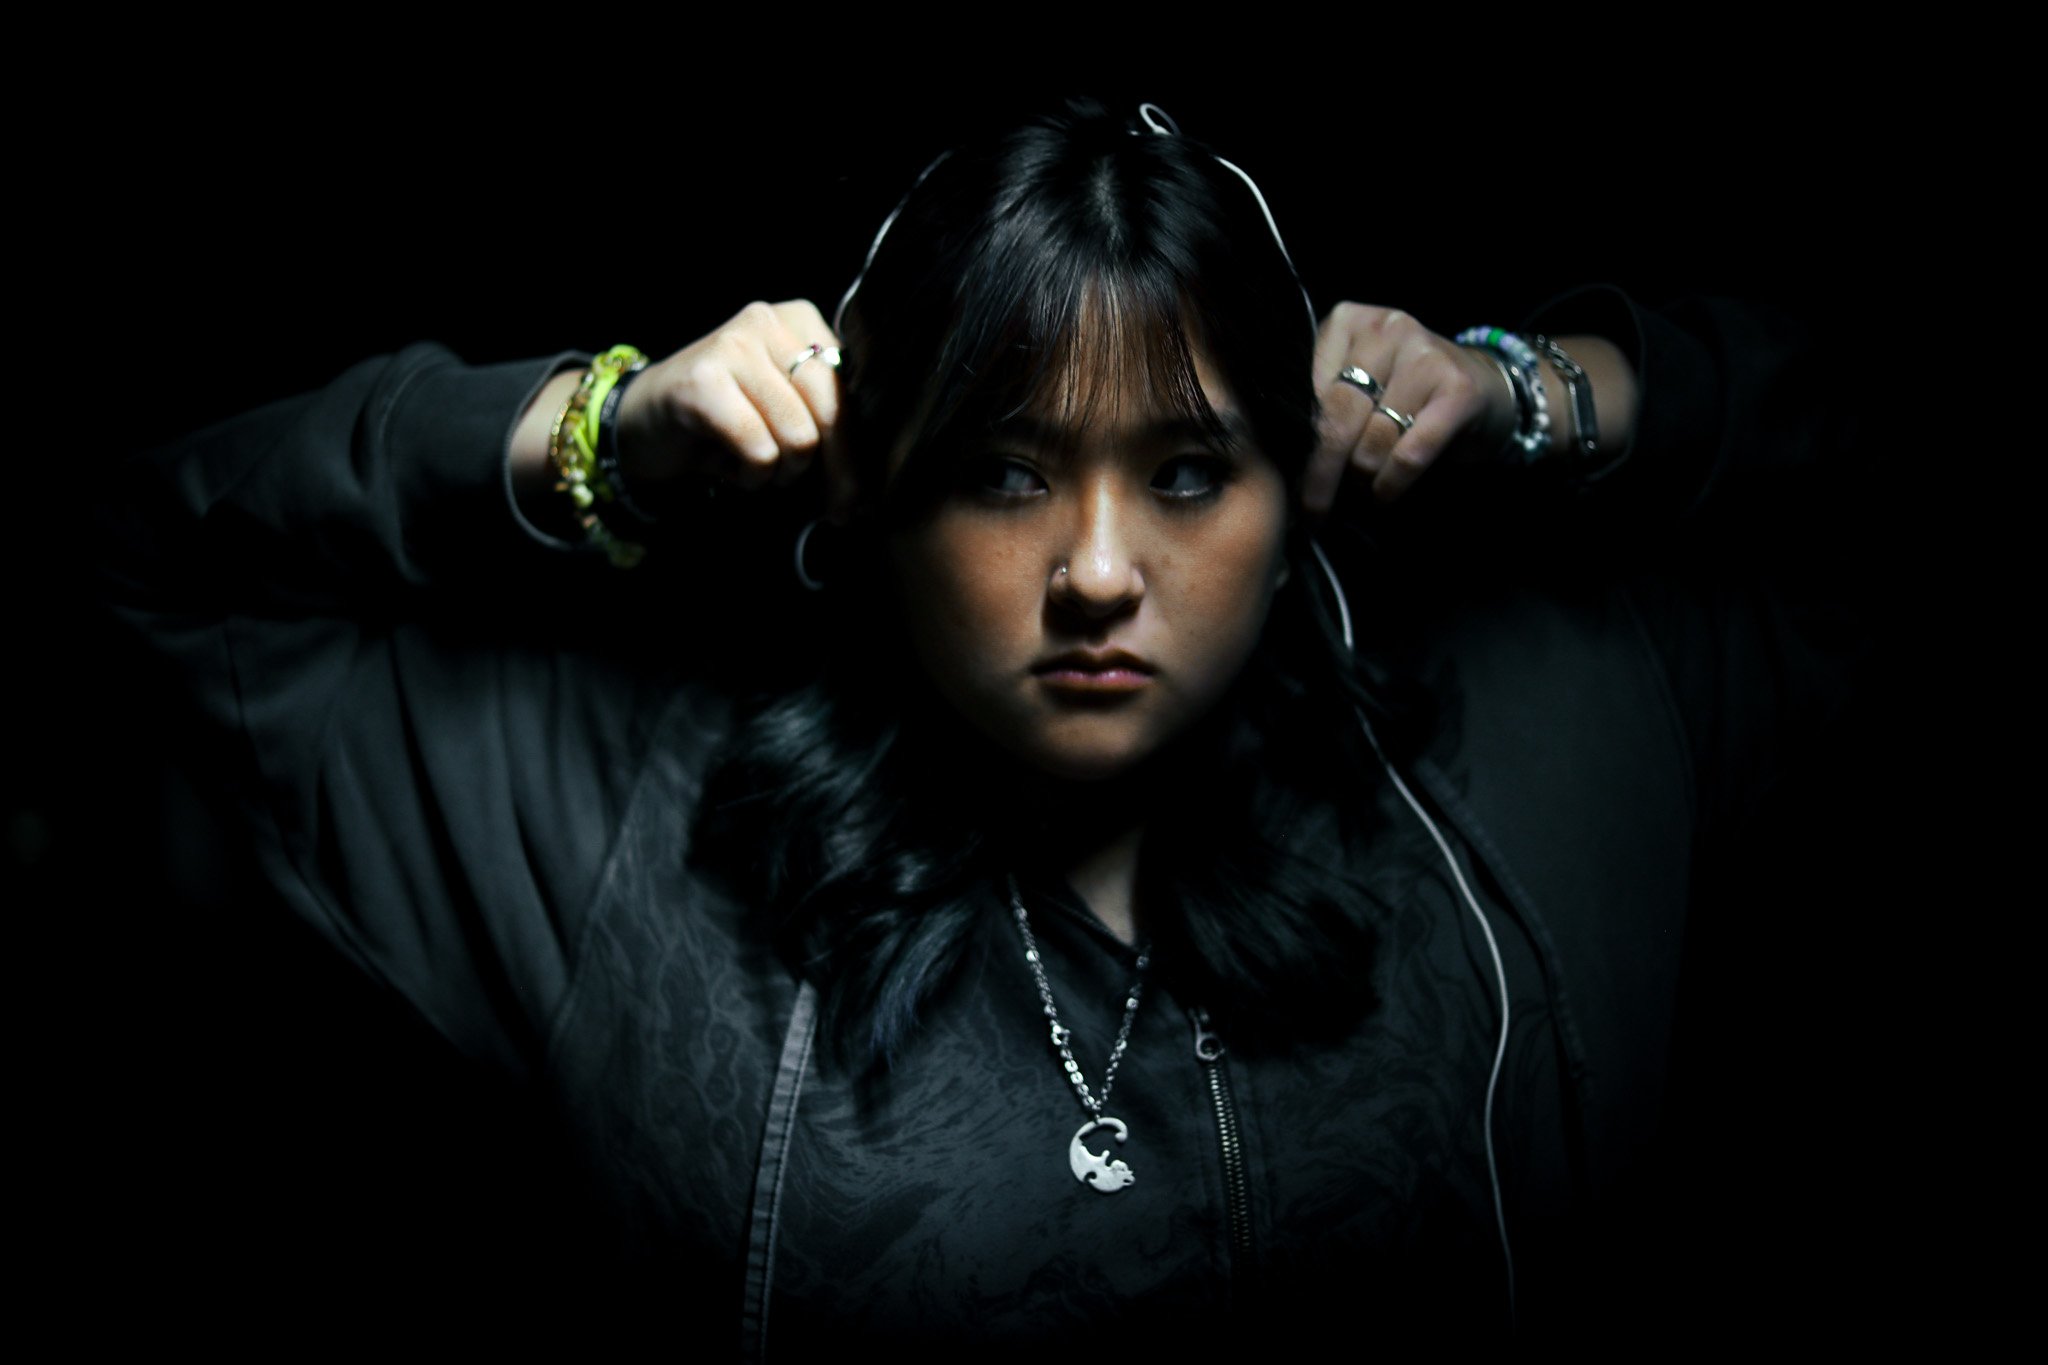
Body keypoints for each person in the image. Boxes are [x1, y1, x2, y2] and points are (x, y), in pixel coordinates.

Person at [95, 99, 1872, 1348]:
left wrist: (1559, 393)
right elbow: (162, 556)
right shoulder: (626, 840)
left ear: (1305, 486)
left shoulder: (1545, 766)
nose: (1097, 569)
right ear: (868, 493)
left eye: (1187, 472)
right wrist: (593, 434)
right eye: (1006, 471)